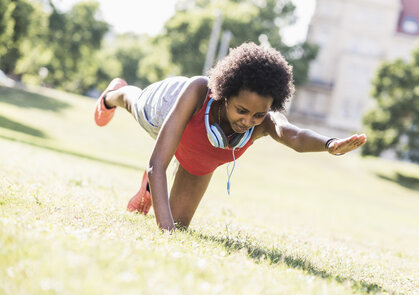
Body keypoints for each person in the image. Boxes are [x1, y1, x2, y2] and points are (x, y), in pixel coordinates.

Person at [94, 42, 367, 232]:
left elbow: (292, 136)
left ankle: (151, 189)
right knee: (134, 101)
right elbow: (157, 165)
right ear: (225, 95)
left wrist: (329, 144)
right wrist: (165, 235)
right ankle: (113, 94)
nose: (248, 121)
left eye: (257, 115)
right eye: (241, 110)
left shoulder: (264, 121)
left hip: (196, 153)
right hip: (164, 108)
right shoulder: (198, 90)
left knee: (179, 222)